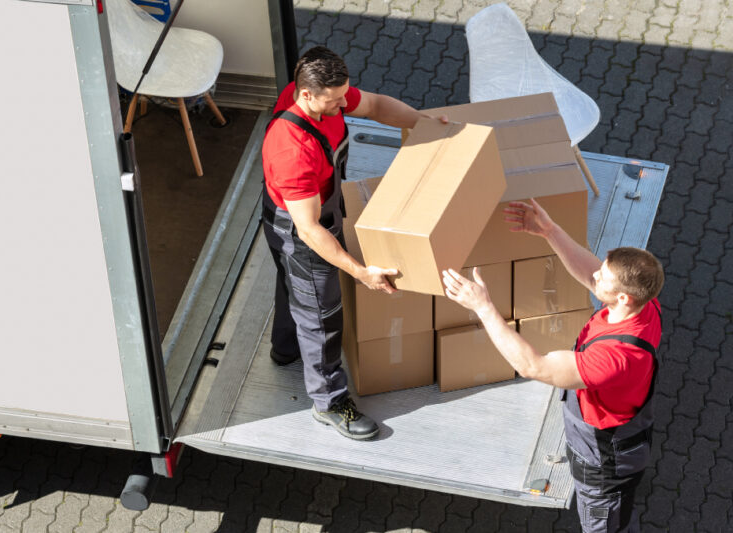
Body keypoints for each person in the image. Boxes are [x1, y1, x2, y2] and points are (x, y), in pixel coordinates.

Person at [442, 198, 663, 532]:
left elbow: (533, 366)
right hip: (614, 436)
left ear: (623, 298)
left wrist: (483, 307)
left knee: (604, 522)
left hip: (604, 461)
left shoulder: (614, 359)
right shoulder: (644, 305)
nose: (595, 274)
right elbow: (591, 274)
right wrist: (549, 230)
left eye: (604, 277)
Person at [261, 46, 446, 441]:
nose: (345, 103)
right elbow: (310, 231)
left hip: (298, 212)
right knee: (323, 316)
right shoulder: (292, 149)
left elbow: (376, 105)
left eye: (345, 94)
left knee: (291, 286)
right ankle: (329, 402)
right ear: (306, 94)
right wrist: (361, 273)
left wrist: (424, 122)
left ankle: (285, 348)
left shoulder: (323, 95)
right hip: (302, 229)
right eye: (336, 100)